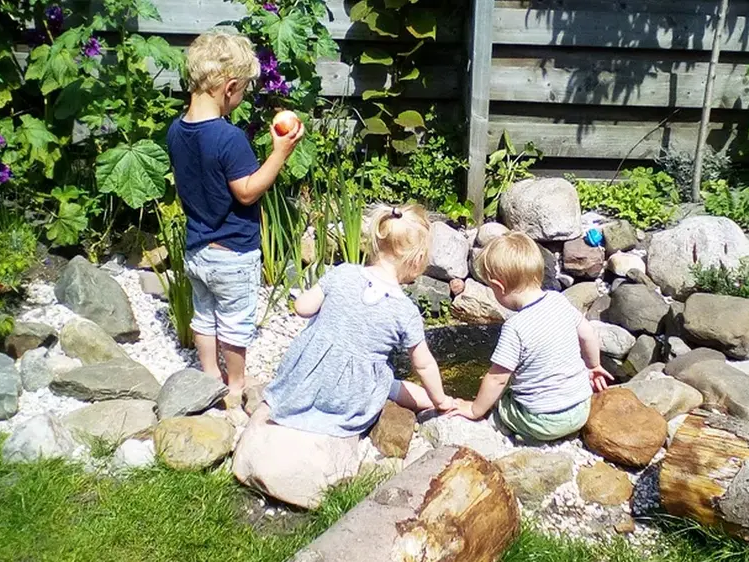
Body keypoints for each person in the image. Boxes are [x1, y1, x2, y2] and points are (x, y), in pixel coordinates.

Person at [167, 31, 304, 408]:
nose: (242, 96)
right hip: (233, 252)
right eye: (243, 89)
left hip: (196, 249)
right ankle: (237, 386)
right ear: (229, 87)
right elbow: (247, 190)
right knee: (234, 322)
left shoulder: (176, 132)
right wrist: (281, 152)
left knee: (204, 316)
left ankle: (209, 375)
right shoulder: (229, 138)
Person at [263, 204, 455, 438]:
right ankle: (444, 403)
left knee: (381, 377)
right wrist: (440, 398)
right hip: (351, 397)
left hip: (307, 377)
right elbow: (424, 365)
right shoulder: (405, 310)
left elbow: (302, 307)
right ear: (417, 261)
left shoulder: (343, 272)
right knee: (392, 385)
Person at [450, 231, 613, 441]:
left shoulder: (515, 327)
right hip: (581, 408)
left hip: (542, 421)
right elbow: (587, 334)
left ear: (499, 286)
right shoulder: (559, 300)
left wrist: (474, 409)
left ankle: (502, 429)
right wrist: (593, 366)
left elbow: (497, 378)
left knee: (504, 396)